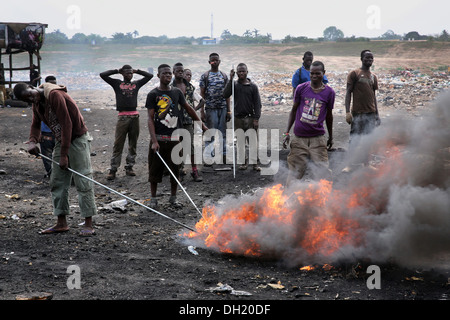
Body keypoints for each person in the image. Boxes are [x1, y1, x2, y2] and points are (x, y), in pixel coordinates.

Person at [13, 82, 97, 236]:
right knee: (57, 180)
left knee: (83, 180)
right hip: (61, 140)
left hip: (78, 139)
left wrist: (64, 155)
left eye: (31, 94)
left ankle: (88, 223)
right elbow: (35, 124)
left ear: (32, 87)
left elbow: (67, 124)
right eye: (28, 99)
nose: (32, 99)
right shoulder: (37, 103)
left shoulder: (54, 95)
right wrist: (32, 141)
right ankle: (61, 222)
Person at [146, 64, 207, 208]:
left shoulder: (177, 93)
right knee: (154, 172)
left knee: (175, 170)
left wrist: (202, 125)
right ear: (158, 76)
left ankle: (173, 198)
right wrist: (154, 141)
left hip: (175, 139)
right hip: (159, 139)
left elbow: (189, 109)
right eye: (164, 74)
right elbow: (150, 118)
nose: (167, 76)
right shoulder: (153, 95)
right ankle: (153, 199)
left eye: (169, 74)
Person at [283, 61, 334, 184]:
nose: (314, 76)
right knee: (295, 173)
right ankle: (287, 200)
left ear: (324, 73)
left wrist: (331, 137)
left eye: (318, 73)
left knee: (322, 172)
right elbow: (293, 111)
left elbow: (329, 116)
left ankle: (324, 200)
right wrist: (286, 133)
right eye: (312, 73)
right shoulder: (301, 89)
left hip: (318, 139)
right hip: (299, 138)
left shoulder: (329, 92)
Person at [100, 65, 153, 180]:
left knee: (132, 144)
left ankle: (129, 167)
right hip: (122, 117)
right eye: (127, 73)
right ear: (123, 74)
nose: (130, 75)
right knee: (118, 144)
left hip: (135, 117)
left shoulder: (136, 84)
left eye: (131, 73)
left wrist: (137, 70)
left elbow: (150, 76)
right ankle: (113, 169)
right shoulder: (117, 83)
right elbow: (102, 75)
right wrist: (116, 70)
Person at [343, 50, 380, 172]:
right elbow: (348, 92)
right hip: (358, 113)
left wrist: (377, 115)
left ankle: (366, 164)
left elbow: (373, 96)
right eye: (367, 58)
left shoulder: (373, 77)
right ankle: (349, 165)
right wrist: (347, 112)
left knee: (367, 141)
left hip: (371, 113)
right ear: (361, 59)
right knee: (354, 140)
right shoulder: (355, 73)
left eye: (371, 58)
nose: (369, 60)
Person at [223, 63, 262, 171]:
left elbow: (257, 104)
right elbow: (225, 94)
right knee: (240, 142)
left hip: (250, 118)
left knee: (253, 142)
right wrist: (230, 79)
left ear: (247, 72)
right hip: (238, 119)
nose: (241, 73)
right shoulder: (234, 85)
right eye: (239, 71)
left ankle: (254, 164)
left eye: (243, 71)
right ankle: (244, 163)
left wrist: (256, 118)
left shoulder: (253, 87)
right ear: (236, 72)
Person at [171, 63, 203, 182]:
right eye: (178, 71)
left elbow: (197, 102)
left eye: (182, 71)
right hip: (174, 121)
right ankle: (178, 171)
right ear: (174, 72)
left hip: (188, 120)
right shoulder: (170, 87)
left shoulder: (189, 87)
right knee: (176, 147)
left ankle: (194, 171)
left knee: (190, 147)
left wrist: (193, 111)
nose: (180, 73)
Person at [199, 53, 230, 164]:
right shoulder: (205, 76)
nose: (214, 62)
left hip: (222, 108)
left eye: (216, 60)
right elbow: (201, 95)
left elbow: (227, 94)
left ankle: (224, 155)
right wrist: (202, 111)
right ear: (209, 62)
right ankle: (209, 157)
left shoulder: (224, 76)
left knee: (223, 133)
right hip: (210, 109)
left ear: (219, 61)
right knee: (209, 133)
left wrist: (229, 110)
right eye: (212, 60)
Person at [39, 75, 57, 178]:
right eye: (51, 84)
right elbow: (37, 118)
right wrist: (39, 133)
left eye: (54, 84)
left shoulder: (59, 96)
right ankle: (51, 174)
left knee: (60, 155)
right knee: (47, 156)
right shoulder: (41, 98)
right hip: (46, 131)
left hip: (57, 132)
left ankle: (59, 175)